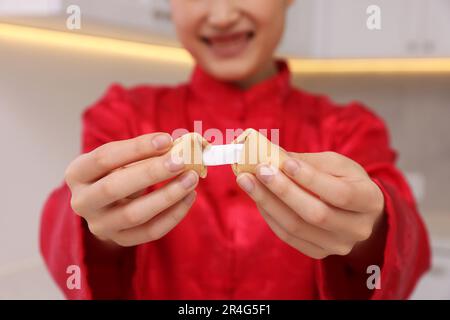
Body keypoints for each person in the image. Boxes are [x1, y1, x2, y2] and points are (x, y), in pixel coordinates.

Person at [40, 0, 430, 299]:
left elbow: (409, 254)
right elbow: (70, 228)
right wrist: (96, 225)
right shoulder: (123, 115)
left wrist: (372, 229)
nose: (223, 14)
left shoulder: (349, 129)